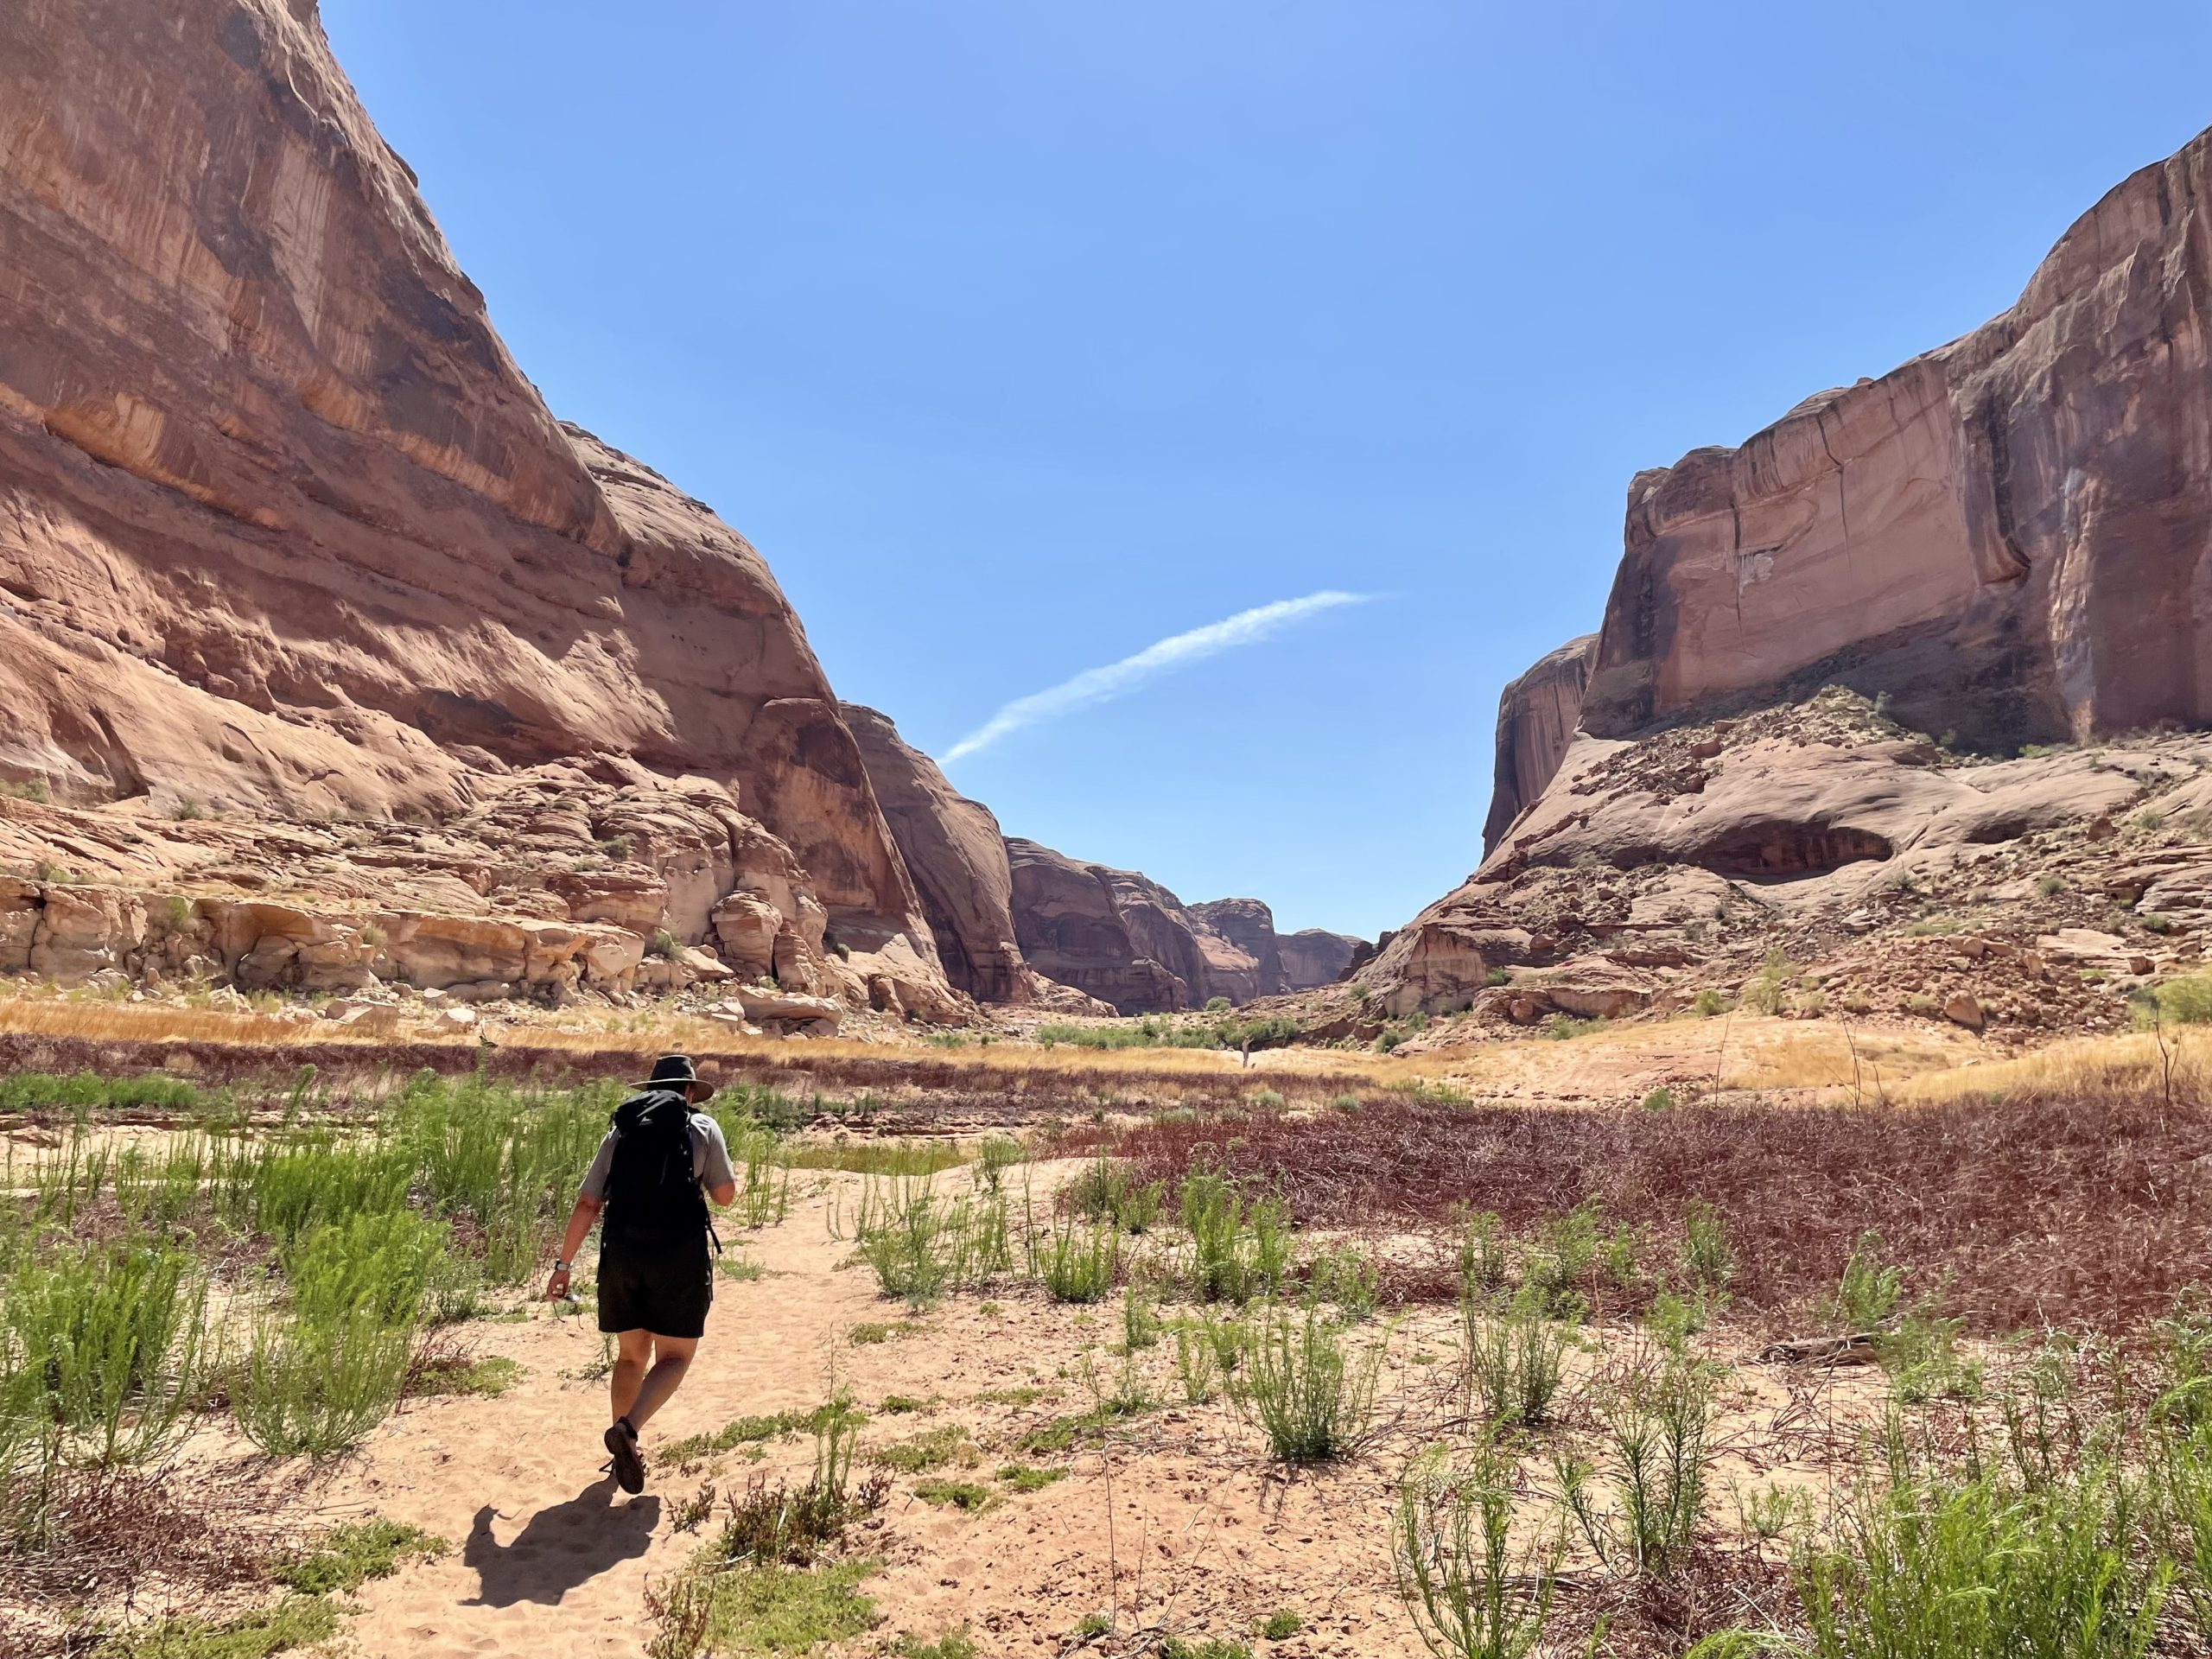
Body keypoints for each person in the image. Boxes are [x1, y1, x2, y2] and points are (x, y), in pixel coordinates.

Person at [546, 1054, 737, 1494]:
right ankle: (628, 1430)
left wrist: (563, 1265)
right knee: (674, 1358)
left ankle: (622, 1450)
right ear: (689, 1092)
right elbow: (725, 1197)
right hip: (679, 1256)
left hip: (623, 1254)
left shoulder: (622, 1128)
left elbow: (588, 1203)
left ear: (649, 1090)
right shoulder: (703, 1128)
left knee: (631, 1355)